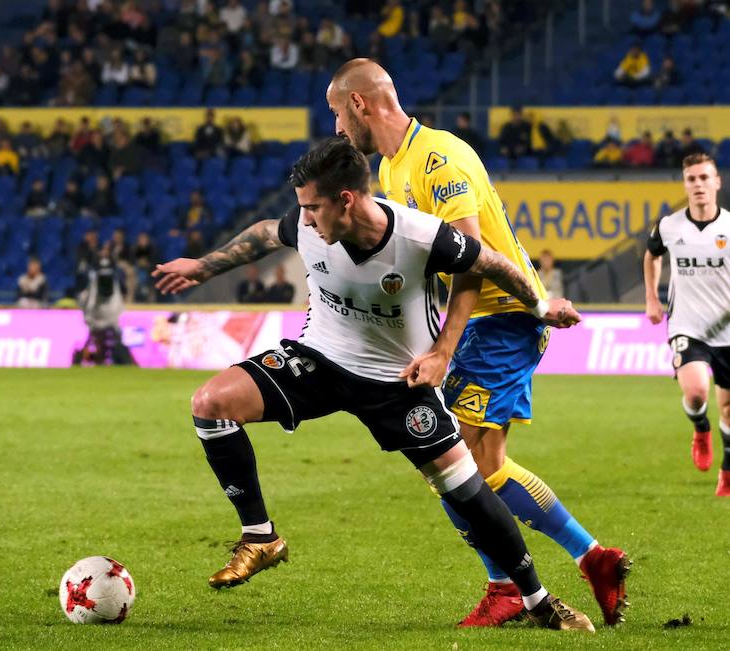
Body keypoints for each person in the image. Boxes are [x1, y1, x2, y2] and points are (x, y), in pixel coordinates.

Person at [152, 137, 591, 631]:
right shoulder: (307, 223)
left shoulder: (423, 236)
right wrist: (202, 266)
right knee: (210, 404)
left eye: (314, 208)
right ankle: (260, 536)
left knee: (465, 488)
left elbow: (490, 264)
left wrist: (537, 307)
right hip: (319, 360)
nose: (307, 220)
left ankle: (537, 600)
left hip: (395, 382)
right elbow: (262, 235)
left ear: (346, 199)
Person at [326, 58, 629, 627]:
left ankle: (556, 570)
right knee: (458, 463)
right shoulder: (392, 171)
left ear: (360, 104)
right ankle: (546, 573)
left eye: (338, 114)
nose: (338, 129)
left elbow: (469, 262)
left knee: (469, 462)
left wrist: (444, 347)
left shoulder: (439, 159)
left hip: (503, 321)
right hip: (479, 327)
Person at [644, 153, 730, 497]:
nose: (698, 185)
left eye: (704, 178)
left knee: (728, 407)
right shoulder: (669, 226)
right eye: (691, 179)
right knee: (695, 391)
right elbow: (652, 255)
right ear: (685, 184)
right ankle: (700, 427)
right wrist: (651, 296)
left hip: (727, 331)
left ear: (717, 182)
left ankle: (726, 469)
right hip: (688, 325)